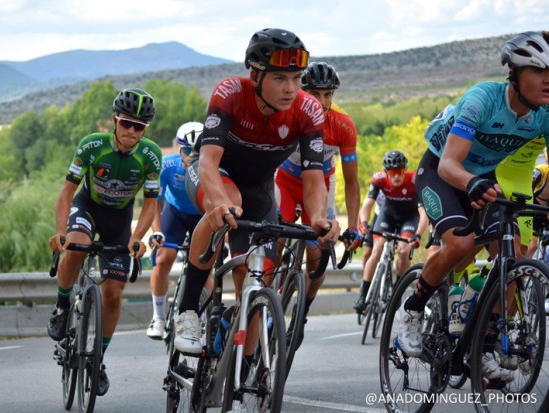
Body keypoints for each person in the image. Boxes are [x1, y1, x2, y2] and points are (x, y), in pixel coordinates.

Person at [173, 28, 341, 355]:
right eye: (279, 78)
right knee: (229, 203)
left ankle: (246, 369)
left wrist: (319, 218)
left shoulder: (307, 110)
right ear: (255, 75)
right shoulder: (230, 93)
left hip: (259, 189)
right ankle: (188, 311)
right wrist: (220, 203)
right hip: (214, 175)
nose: (291, 88)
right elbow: (207, 162)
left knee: (255, 280)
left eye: (296, 78)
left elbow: (313, 178)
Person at [398, 32, 549, 383]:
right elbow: (449, 163)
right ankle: (413, 308)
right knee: (461, 243)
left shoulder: (544, 115)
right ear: (514, 73)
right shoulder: (483, 99)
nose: (548, 80)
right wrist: (472, 183)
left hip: (482, 177)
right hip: (442, 171)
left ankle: (486, 345)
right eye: (539, 71)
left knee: (511, 255)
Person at [47, 87, 162, 396]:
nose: (132, 131)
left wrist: (137, 237)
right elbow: (67, 191)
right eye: (127, 123)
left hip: (119, 220)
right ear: (114, 120)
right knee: (75, 248)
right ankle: (61, 306)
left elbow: (150, 204)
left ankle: (97, 360)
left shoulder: (151, 155)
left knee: (113, 294)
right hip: (88, 207)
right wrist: (60, 231)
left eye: (139, 126)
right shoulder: (92, 145)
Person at [275, 61, 361, 325]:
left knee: (317, 259)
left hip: (321, 186)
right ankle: (265, 302)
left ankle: (302, 312)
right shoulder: (287, 113)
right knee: (273, 244)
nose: (322, 102)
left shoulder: (343, 125)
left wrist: (354, 225)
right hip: (286, 182)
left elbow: (352, 182)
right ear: (302, 92)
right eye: (314, 94)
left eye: (327, 94)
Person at [146, 121, 205, 340]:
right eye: (187, 150)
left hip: (202, 216)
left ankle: (202, 318)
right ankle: (158, 317)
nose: (191, 155)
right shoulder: (167, 166)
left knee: (204, 266)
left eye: (197, 150)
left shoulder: (212, 167)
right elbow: (154, 203)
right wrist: (157, 231)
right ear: (179, 149)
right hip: (175, 213)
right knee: (164, 258)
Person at [353, 150, 427, 313]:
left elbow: (423, 214)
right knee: (377, 249)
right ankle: (363, 296)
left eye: (399, 171)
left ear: (405, 170)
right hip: (388, 215)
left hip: (410, 218)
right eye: (392, 173)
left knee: (403, 251)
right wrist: (364, 222)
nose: (396, 176)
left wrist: (418, 234)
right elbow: (367, 205)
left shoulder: (415, 181)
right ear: (386, 173)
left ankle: (396, 293)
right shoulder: (379, 179)